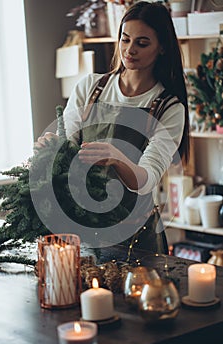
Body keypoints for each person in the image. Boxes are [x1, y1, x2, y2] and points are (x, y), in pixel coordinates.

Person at [35, 1, 190, 259]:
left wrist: (118, 158)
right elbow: (67, 146)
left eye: (142, 43)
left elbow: (147, 179)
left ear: (162, 47)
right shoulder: (91, 88)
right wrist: (51, 147)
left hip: (135, 237)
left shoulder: (169, 108)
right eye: (125, 39)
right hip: (84, 229)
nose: (129, 50)